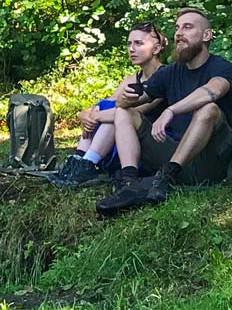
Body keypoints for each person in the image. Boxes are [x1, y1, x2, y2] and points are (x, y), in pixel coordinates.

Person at [97, 7, 232, 216]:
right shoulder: (171, 71)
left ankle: (166, 176)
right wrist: (124, 100)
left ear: (207, 35)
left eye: (188, 27)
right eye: (177, 28)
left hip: (214, 160)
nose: (179, 33)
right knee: (125, 113)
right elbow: (137, 99)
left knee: (208, 109)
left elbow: (213, 91)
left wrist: (171, 110)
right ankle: (129, 182)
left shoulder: (220, 66)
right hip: (176, 158)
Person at [51, 22, 165, 188]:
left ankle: (89, 163)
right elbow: (102, 106)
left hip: (146, 143)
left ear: (156, 49)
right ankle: (79, 161)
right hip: (123, 139)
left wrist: (96, 116)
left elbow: (137, 112)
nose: (131, 49)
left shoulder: (164, 76)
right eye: (129, 44)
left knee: (116, 112)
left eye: (138, 43)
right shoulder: (132, 79)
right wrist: (85, 115)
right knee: (105, 106)